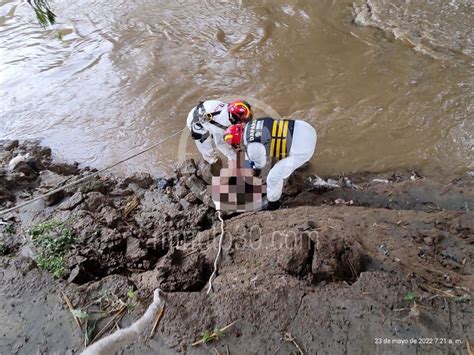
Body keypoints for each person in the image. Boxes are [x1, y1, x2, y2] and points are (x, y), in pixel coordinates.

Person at [224, 117, 317, 210]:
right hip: (303, 127)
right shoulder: (252, 124)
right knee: (275, 148)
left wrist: (253, 168)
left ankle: (273, 204)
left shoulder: (252, 147)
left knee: (273, 177)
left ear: (237, 143)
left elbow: (260, 164)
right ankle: (303, 167)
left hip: (303, 149)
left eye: (233, 146)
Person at [186, 99, 253, 171]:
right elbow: (220, 144)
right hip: (195, 123)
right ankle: (212, 164)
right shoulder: (222, 123)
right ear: (235, 118)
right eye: (243, 120)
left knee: (218, 132)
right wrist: (236, 157)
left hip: (206, 111)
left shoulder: (229, 110)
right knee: (209, 154)